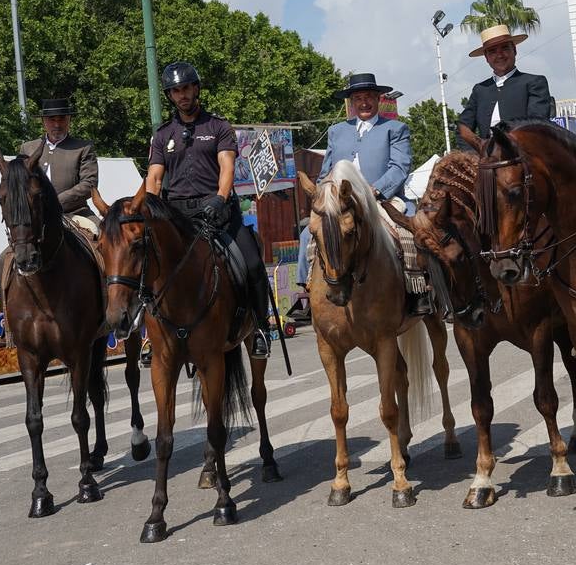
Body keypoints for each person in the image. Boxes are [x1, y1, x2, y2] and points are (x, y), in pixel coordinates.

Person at [146, 62, 272, 358]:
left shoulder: (218, 126)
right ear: (170, 96)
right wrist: (149, 210)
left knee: (252, 261)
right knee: (143, 265)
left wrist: (219, 198)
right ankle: (149, 337)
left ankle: (259, 329)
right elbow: (153, 177)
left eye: (187, 88)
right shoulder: (163, 135)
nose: (182, 95)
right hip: (175, 217)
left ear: (197, 88)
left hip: (216, 212)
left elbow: (227, 166)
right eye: (176, 91)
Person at [296, 74, 417, 300]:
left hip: (383, 199)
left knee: (411, 234)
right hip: (342, 203)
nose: (364, 103)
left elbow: (400, 167)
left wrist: (375, 190)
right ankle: (308, 292)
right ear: (351, 103)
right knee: (307, 235)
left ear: (378, 99)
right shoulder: (336, 131)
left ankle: (418, 292)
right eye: (358, 98)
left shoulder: (395, 128)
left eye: (369, 97)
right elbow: (326, 171)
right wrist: (324, 194)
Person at [457, 24, 554, 141]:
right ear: (486, 58)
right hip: (487, 155)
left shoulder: (534, 82)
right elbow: (463, 127)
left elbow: (537, 124)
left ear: (514, 50)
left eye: (504, 48)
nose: (499, 55)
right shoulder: (480, 89)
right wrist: (474, 153)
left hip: (523, 151)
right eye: (492, 51)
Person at [19, 97, 99, 236]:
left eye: (61, 119)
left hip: (75, 213)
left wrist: (55, 202)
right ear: (43, 121)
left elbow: (89, 184)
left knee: (103, 236)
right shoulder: (28, 148)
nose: (57, 124)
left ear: (69, 120)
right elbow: (18, 183)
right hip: (34, 216)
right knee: (4, 258)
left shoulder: (83, 147)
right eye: (52, 119)